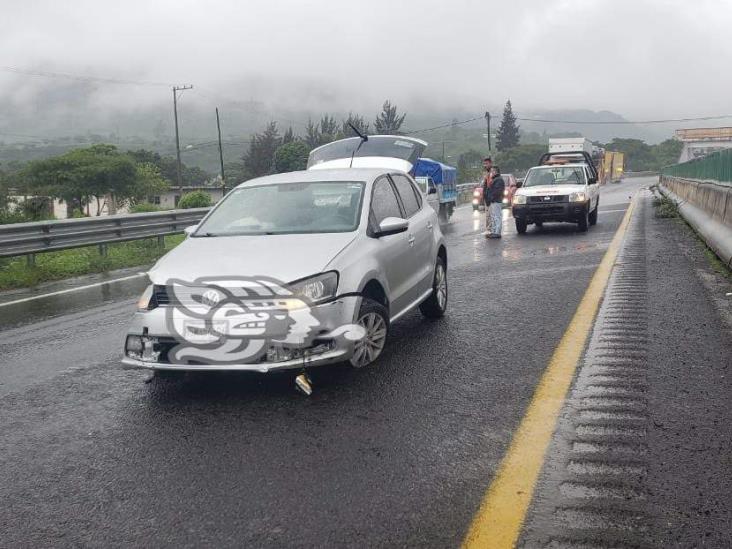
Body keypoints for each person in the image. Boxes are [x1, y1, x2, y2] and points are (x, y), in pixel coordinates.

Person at [483, 166, 505, 238]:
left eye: (492, 171)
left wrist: (491, 198)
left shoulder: (499, 180)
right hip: (493, 201)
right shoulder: (495, 179)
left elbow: (496, 191)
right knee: (493, 217)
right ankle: (494, 231)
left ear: (495, 171)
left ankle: (497, 232)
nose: (491, 173)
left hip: (496, 201)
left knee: (497, 217)